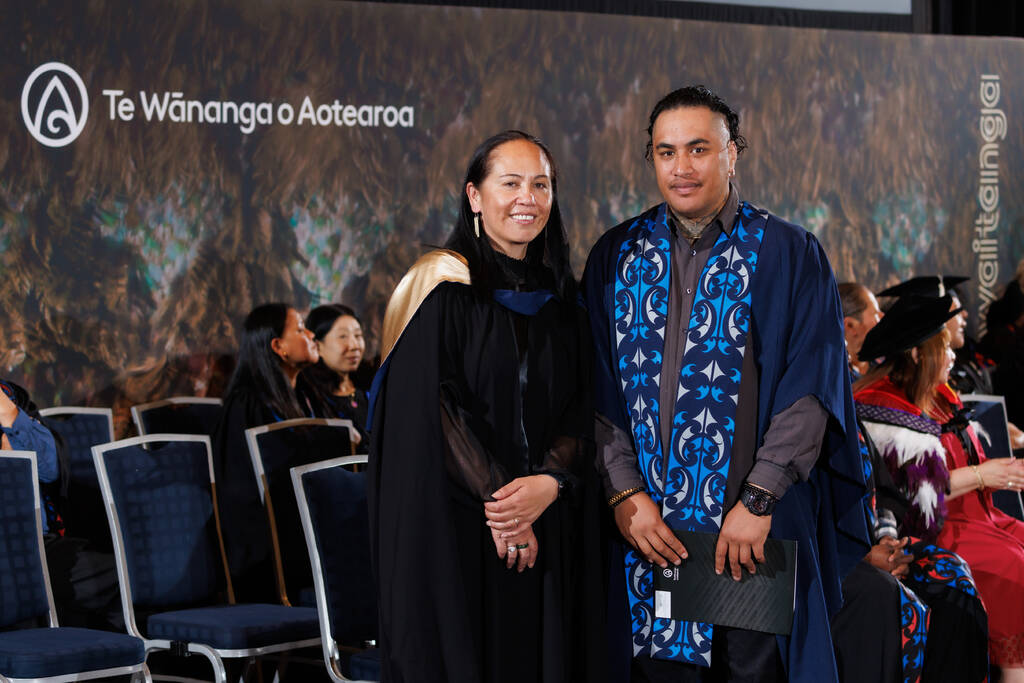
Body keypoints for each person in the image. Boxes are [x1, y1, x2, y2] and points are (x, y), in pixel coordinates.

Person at [582, 85, 868, 682]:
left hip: (744, 537)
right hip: (648, 532)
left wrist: (759, 499)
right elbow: (596, 389)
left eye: (698, 149)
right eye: (665, 152)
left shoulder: (789, 253)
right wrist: (623, 493)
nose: (681, 168)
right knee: (654, 673)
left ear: (733, 152)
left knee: (749, 671)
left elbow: (811, 387)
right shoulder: (616, 255)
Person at [367, 130, 605, 683]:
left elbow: (579, 404)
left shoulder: (563, 302)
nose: (528, 197)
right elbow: (432, 407)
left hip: (547, 519)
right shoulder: (441, 287)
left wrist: (550, 482)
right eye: (511, 183)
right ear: (475, 195)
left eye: (541, 185)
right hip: (457, 525)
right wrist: (504, 507)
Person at [855, 294, 1024, 681]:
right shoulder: (879, 406)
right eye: (944, 347)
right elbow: (910, 494)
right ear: (917, 354)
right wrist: (984, 475)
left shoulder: (939, 396)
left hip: (982, 519)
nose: (951, 356)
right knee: (1014, 568)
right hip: (934, 529)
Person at [831, 287, 989, 683]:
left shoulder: (847, 405)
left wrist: (884, 538)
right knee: (896, 601)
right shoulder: (873, 405)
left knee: (955, 584)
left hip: (879, 538)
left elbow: (880, 489)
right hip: (831, 552)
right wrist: (863, 551)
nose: (953, 355)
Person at [211, 302, 321, 601]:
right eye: (300, 328)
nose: (311, 334)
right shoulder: (247, 405)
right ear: (278, 346)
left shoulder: (306, 394)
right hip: (270, 547)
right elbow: (243, 492)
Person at [1, 378, 122, 631]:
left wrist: (10, 415)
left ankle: (109, 666)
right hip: (7, 549)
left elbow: (50, 469)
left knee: (122, 575)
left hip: (39, 544)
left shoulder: (11, 396)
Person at [302, 303, 369, 447]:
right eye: (343, 336)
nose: (354, 345)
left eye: (358, 335)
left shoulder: (370, 387)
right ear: (317, 345)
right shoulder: (310, 397)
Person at [838, 282, 884, 379]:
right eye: (876, 314)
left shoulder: (886, 368)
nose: (882, 317)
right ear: (850, 326)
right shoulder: (837, 380)